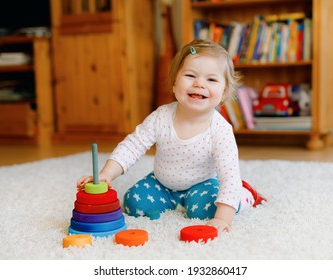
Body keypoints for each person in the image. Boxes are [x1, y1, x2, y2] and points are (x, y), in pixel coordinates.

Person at [77, 39, 266, 232]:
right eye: (191, 75)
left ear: (224, 92)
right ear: (174, 84)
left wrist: (223, 219)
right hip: (163, 184)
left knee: (208, 210)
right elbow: (133, 145)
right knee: (133, 203)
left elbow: (229, 175)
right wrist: (106, 174)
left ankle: (246, 195)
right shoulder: (161, 116)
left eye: (211, 79)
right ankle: (173, 203)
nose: (199, 83)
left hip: (202, 184)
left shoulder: (220, 129)